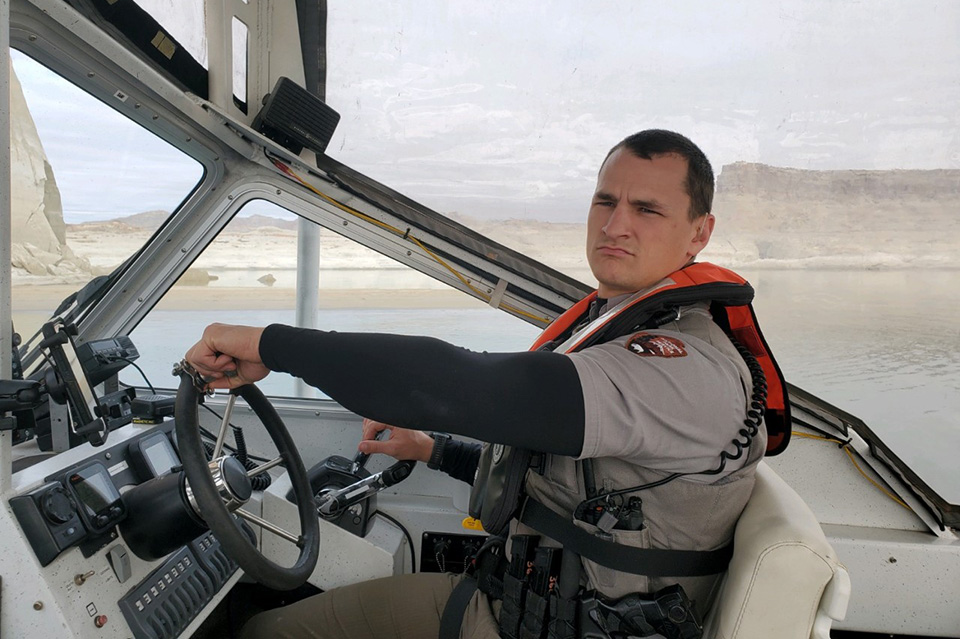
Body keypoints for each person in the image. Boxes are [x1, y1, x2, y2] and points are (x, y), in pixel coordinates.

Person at [185, 129, 783, 639]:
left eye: (647, 210)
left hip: (520, 622)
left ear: (699, 233)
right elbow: (563, 489)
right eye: (605, 201)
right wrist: (431, 449)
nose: (615, 224)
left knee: (266, 631)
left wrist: (269, 344)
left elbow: (457, 385)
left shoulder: (680, 366)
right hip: (524, 603)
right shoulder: (624, 328)